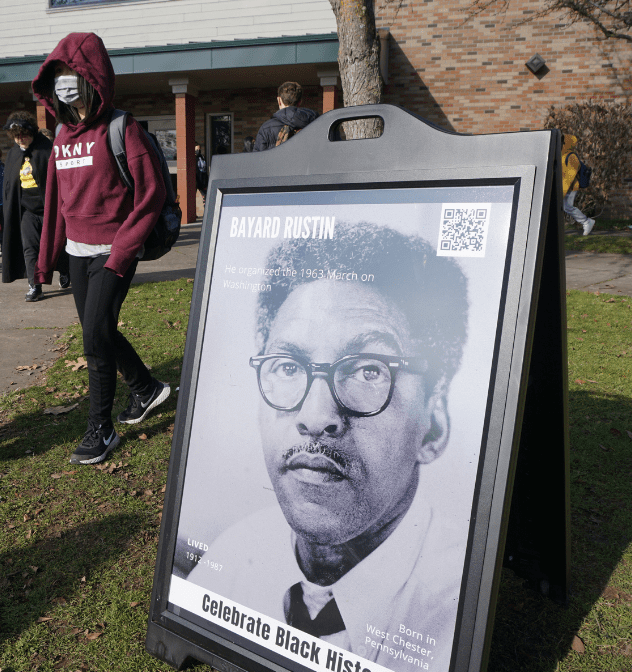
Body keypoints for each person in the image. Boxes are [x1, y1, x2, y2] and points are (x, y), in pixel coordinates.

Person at [187, 226, 469, 672]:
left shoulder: (455, 613)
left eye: (369, 371)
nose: (316, 416)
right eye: (287, 365)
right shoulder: (234, 558)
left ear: (432, 425)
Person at [32, 32, 171, 465]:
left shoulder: (121, 128)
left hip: (114, 251)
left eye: (70, 73)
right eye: (56, 76)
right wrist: (46, 259)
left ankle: (101, 429)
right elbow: (56, 202)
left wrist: (120, 253)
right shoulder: (59, 136)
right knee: (101, 331)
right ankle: (146, 388)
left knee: (94, 339)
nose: (63, 83)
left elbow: (150, 197)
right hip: (76, 253)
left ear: (91, 76)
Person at [0, 110, 66, 300]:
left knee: (56, 247)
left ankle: (64, 270)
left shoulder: (46, 150)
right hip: (26, 211)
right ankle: (34, 285)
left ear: (32, 132)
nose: (21, 139)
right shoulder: (13, 154)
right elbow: (9, 186)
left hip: (49, 210)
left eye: (24, 135)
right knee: (30, 248)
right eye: (17, 136)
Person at [253, 82, 319, 151]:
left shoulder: (266, 128)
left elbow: (257, 158)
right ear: (300, 102)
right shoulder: (315, 123)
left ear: (279, 100)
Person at [561, 134, 594, 236]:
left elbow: (570, 177)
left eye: (562, 142)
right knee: (563, 207)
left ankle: (586, 221)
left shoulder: (572, 157)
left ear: (567, 144)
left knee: (567, 207)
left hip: (570, 187)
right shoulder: (562, 155)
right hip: (562, 186)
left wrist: (562, 191)